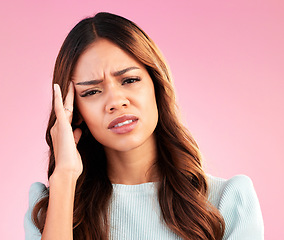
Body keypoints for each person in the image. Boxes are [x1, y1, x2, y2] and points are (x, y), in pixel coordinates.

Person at [24, 12, 264, 240]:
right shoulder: (51, 208)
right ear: (74, 112)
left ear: (156, 85)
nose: (116, 102)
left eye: (129, 80)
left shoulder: (227, 202)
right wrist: (64, 177)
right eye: (92, 91)